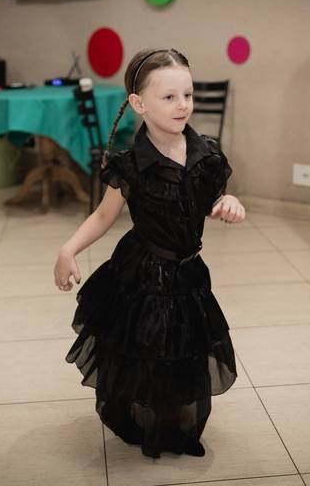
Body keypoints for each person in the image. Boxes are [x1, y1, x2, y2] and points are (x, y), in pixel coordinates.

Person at [53, 48, 245, 458]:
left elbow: (212, 200)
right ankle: (142, 421)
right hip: (142, 273)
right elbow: (103, 216)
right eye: (169, 97)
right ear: (139, 104)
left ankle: (174, 428)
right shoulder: (130, 165)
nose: (183, 105)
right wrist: (68, 248)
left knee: (183, 350)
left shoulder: (207, 155)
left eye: (187, 95)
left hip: (188, 273)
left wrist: (228, 203)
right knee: (147, 351)